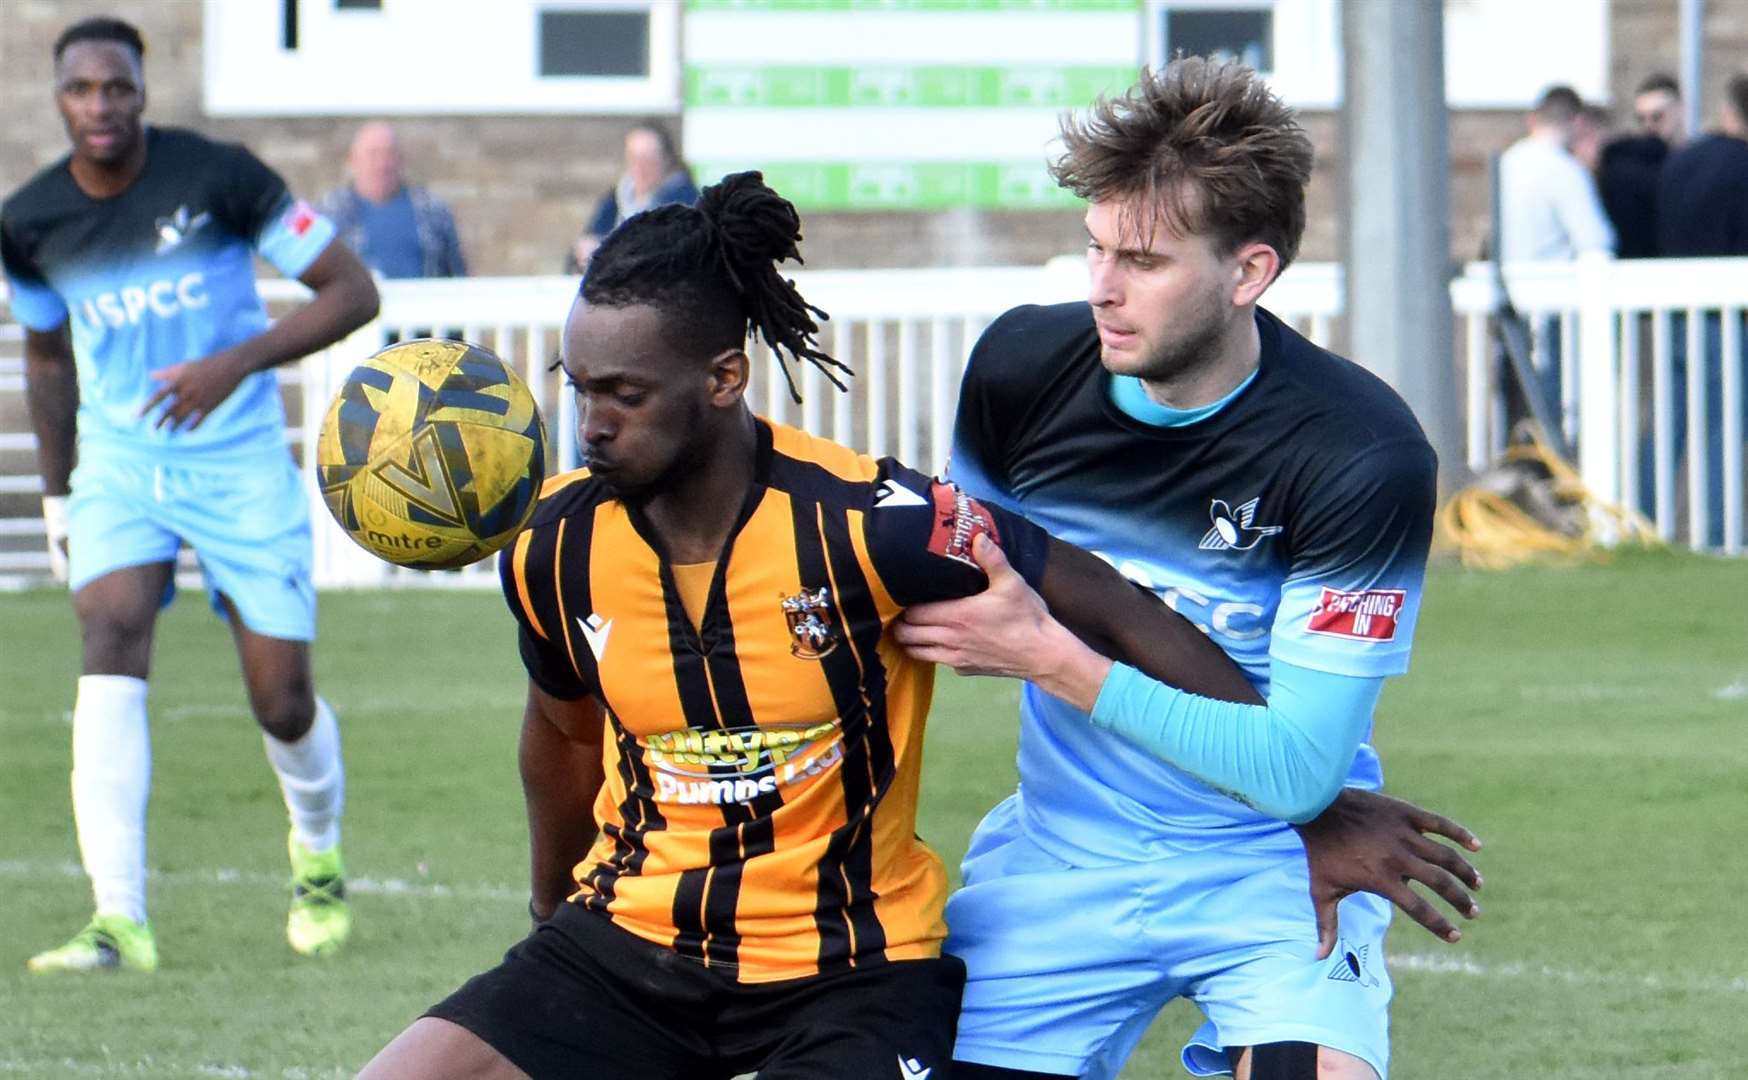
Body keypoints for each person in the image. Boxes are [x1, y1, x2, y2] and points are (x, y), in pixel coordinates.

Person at [357, 172, 1480, 1079]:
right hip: (742, 924)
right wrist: (555, 907)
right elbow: (558, 736)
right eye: (1096, 248)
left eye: (1138, 259)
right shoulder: (557, 543)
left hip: (925, 949)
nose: (588, 424)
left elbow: (1102, 605)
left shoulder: (872, 523)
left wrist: (1306, 801)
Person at [891, 59, 1465, 1079]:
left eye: (1143, 261)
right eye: (1093, 249)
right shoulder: (1021, 372)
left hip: (1273, 863)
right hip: (1058, 858)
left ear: (1247, 273)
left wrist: (1048, 656)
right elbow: (953, 582)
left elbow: (1294, 767)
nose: (1100, 290)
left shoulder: (1357, 454)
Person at [1, 17, 379, 972]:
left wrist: (233, 363)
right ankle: (117, 920)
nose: (99, 106)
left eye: (116, 88)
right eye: (82, 90)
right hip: (123, 467)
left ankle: (319, 858)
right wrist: (57, 501)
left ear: (141, 92)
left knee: (281, 700)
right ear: (60, 99)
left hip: (240, 461)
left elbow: (352, 290)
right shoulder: (30, 220)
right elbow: (47, 359)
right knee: (110, 629)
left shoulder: (221, 176)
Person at [1647, 72, 1748, 545]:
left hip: (1672, 310)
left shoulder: (1682, 161)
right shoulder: (1742, 166)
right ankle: (1718, 532)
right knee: (1722, 423)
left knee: (1667, 424)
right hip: (1724, 317)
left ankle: (1639, 521)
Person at [317, 121, 467, 279]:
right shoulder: (329, 213)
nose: (382, 164)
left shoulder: (433, 211)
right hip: (358, 303)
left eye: (389, 154)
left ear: (401, 160)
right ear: (353, 161)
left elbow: (457, 275)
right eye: (373, 154)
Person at [564, 120, 698, 273]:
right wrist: (584, 250)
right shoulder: (617, 198)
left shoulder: (684, 199)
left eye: (648, 159)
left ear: (665, 160)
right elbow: (592, 237)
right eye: (634, 158)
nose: (640, 167)